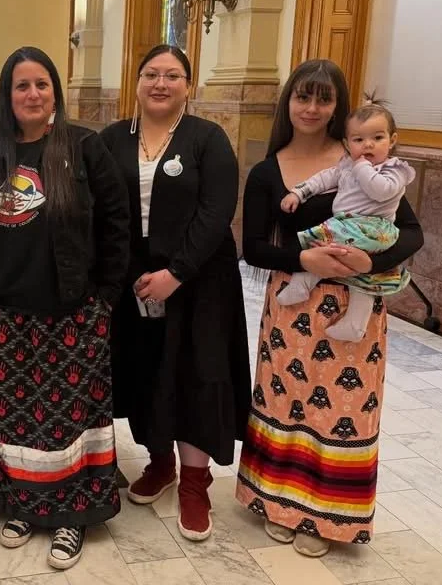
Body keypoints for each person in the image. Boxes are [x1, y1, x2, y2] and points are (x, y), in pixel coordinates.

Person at [235, 59, 424, 557]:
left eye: (324, 99)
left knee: (342, 406)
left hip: (351, 303)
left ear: (339, 107)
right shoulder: (267, 170)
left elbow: (412, 231)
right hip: (292, 308)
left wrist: (370, 257)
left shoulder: (365, 161)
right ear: (288, 101)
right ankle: (277, 502)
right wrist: (303, 257)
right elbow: (252, 246)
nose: (312, 108)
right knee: (287, 400)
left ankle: (327, 514)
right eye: (303, 96)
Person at [0, 46, 130, 570]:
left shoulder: (83, 147)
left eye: (41, 84)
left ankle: (70, 516)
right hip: (0, 317)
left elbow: (117, 224)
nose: (32, 94)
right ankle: (23, 504)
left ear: (55, 91)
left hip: (69, 313)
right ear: (6, 96)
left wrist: (103, 300)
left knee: (66, 424)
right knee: (11, 420)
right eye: (21, 86)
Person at [100, 44, 252, 542]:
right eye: (150, 74)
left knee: (195, 373)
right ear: (137, 81)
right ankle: (159, 462)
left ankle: (194, 484)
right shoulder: (111, 140)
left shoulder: (207, 139)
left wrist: (177, 272)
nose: (160, 83)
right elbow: (101, 211)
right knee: (145, 370)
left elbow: (216, 212)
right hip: (134, 280)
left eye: (172, 75)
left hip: (200, 281)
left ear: (189, 85)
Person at [276, 97, 415, 341]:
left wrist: (360, 166)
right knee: (357, 274)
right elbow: (324, 179)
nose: (368, 145)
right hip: (350, 227)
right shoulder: (346, 164)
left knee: (321, 242)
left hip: (373, 229)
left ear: (392, 140)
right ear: (347, 143)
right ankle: (354, 324)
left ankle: (303, 283)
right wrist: (299, 192)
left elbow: (380, 191)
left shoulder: (395, 169)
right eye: (359, 140)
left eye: (377, 138)